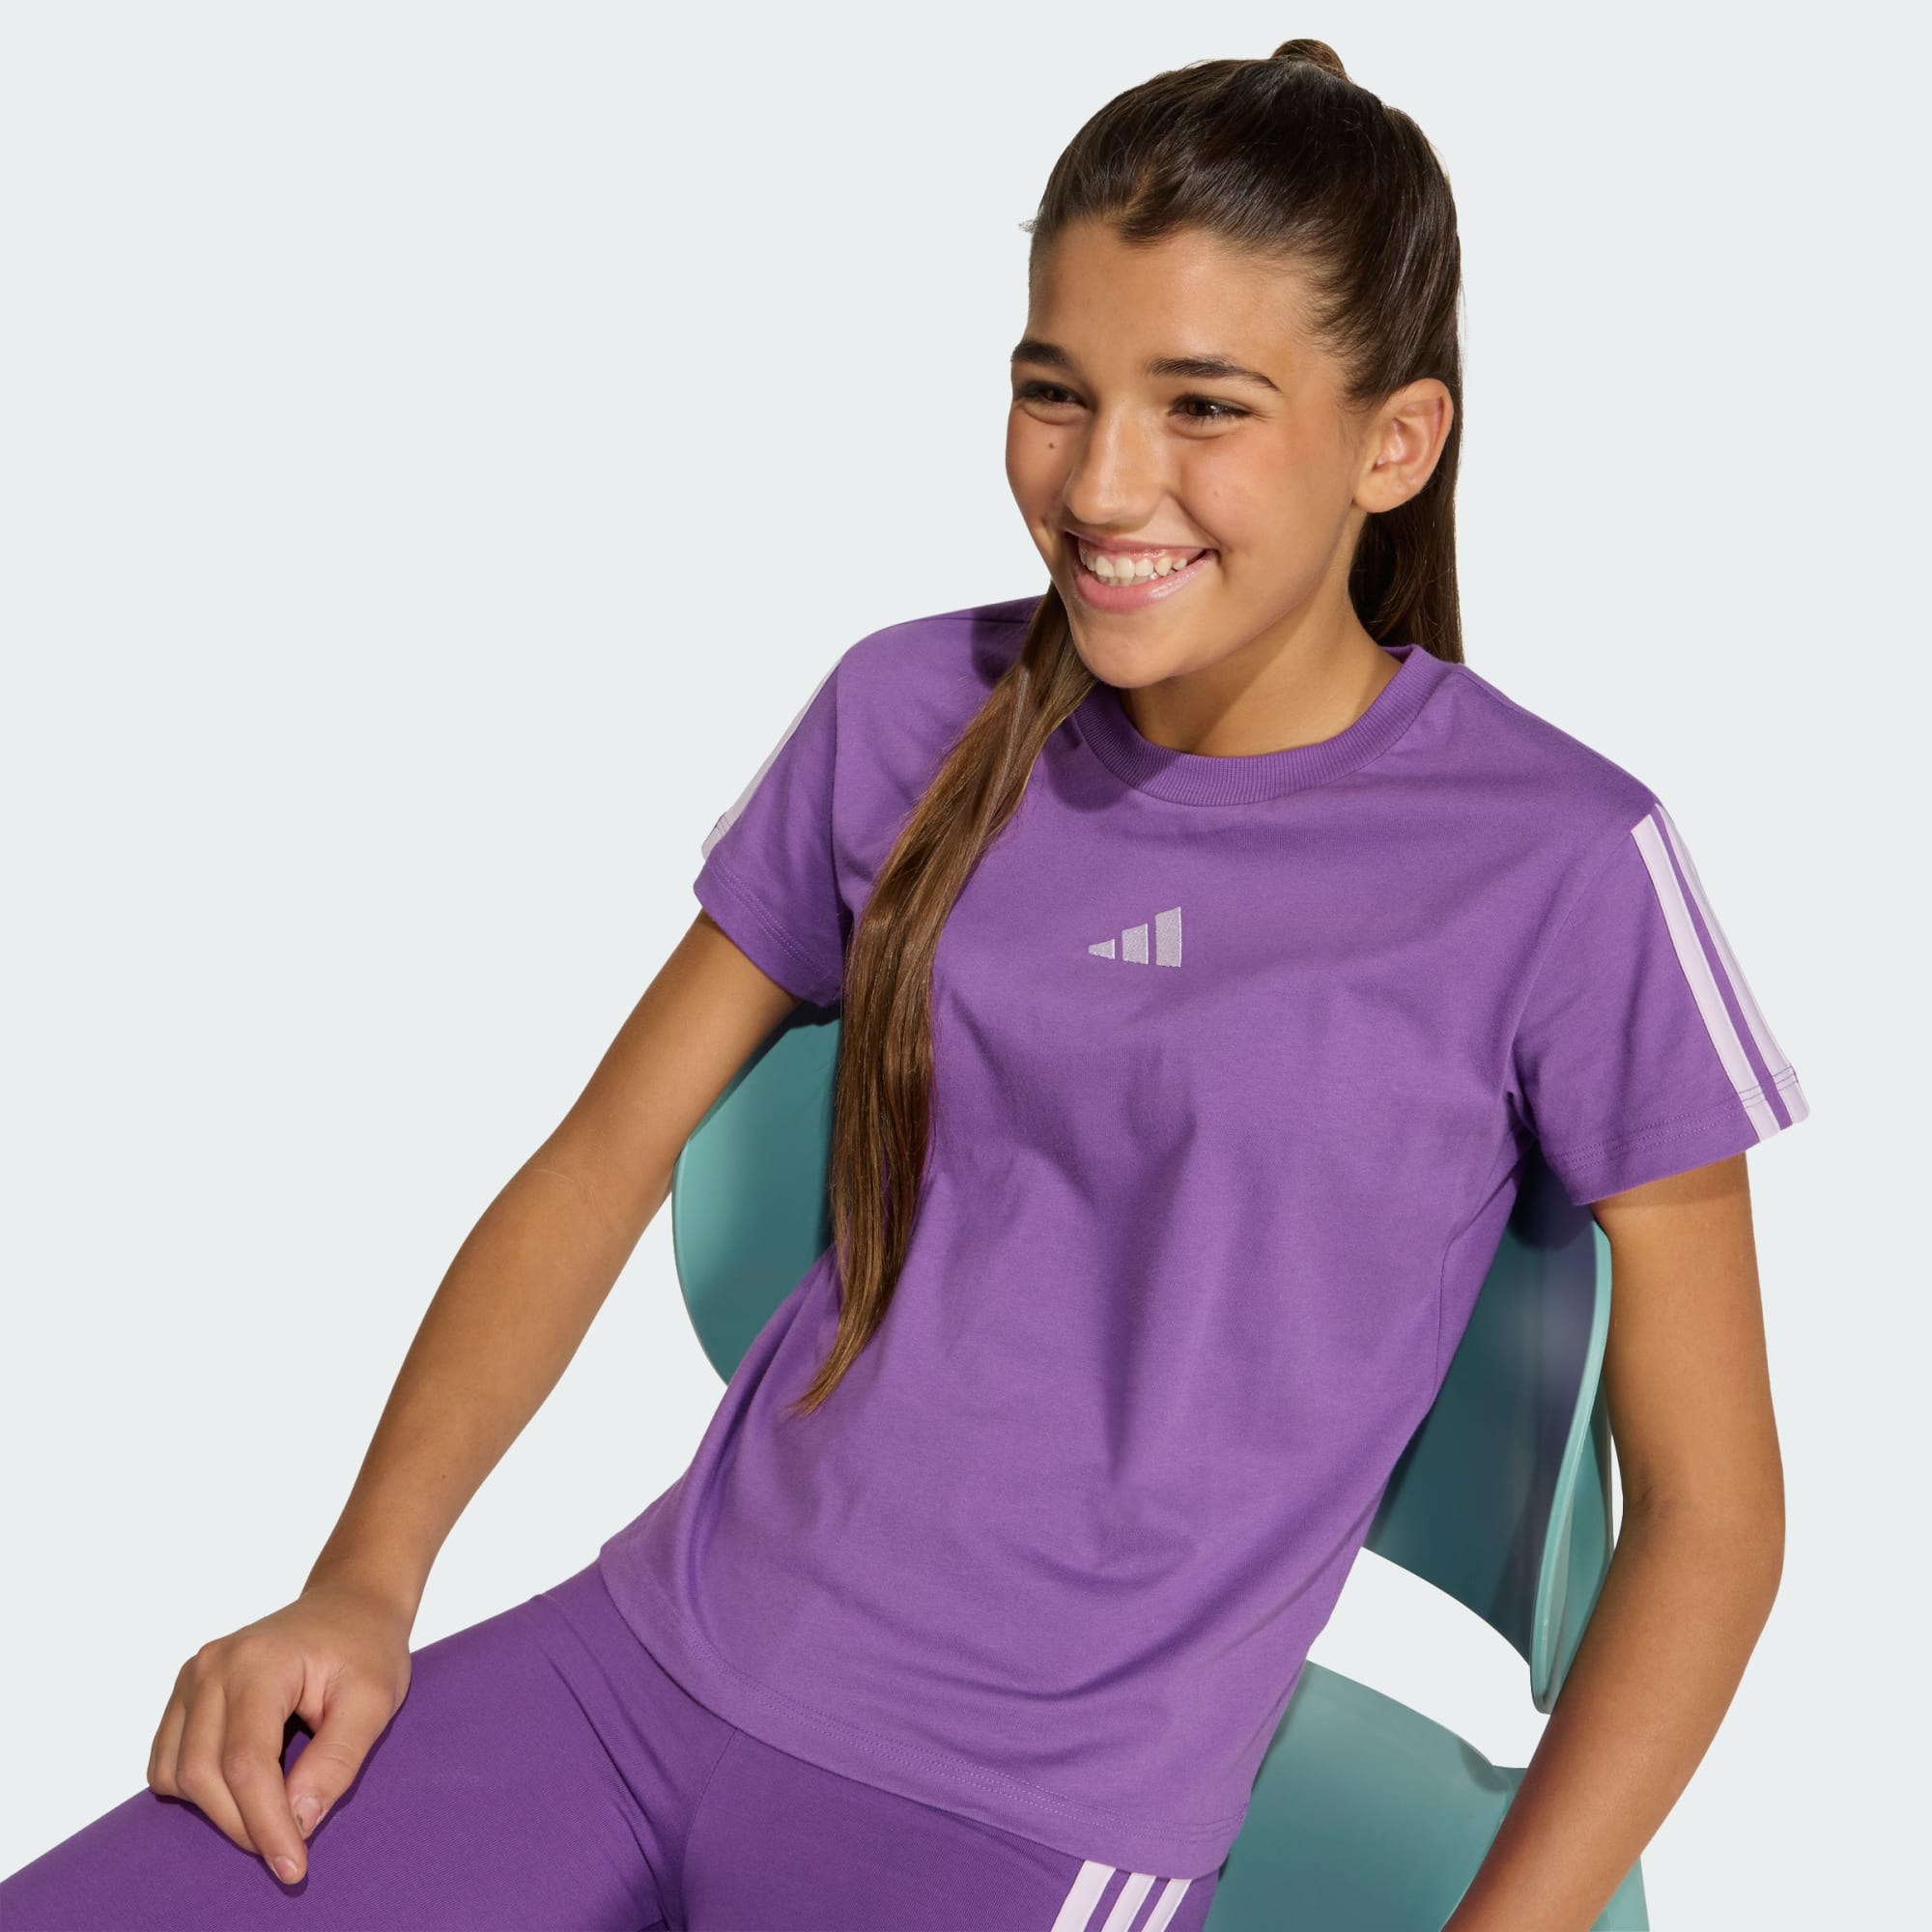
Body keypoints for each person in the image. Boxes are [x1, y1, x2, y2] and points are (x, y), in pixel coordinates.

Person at [1, 36, 1806, 1932]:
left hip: (1027, 1818)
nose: (1102, 480)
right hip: (634, 1669)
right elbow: (603, 1160)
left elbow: (1713, 1515)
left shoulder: (1557, 865)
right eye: (1054, 391)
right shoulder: (907, 712)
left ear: (1395, 443)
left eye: (1203, 406)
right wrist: (363, 1582)